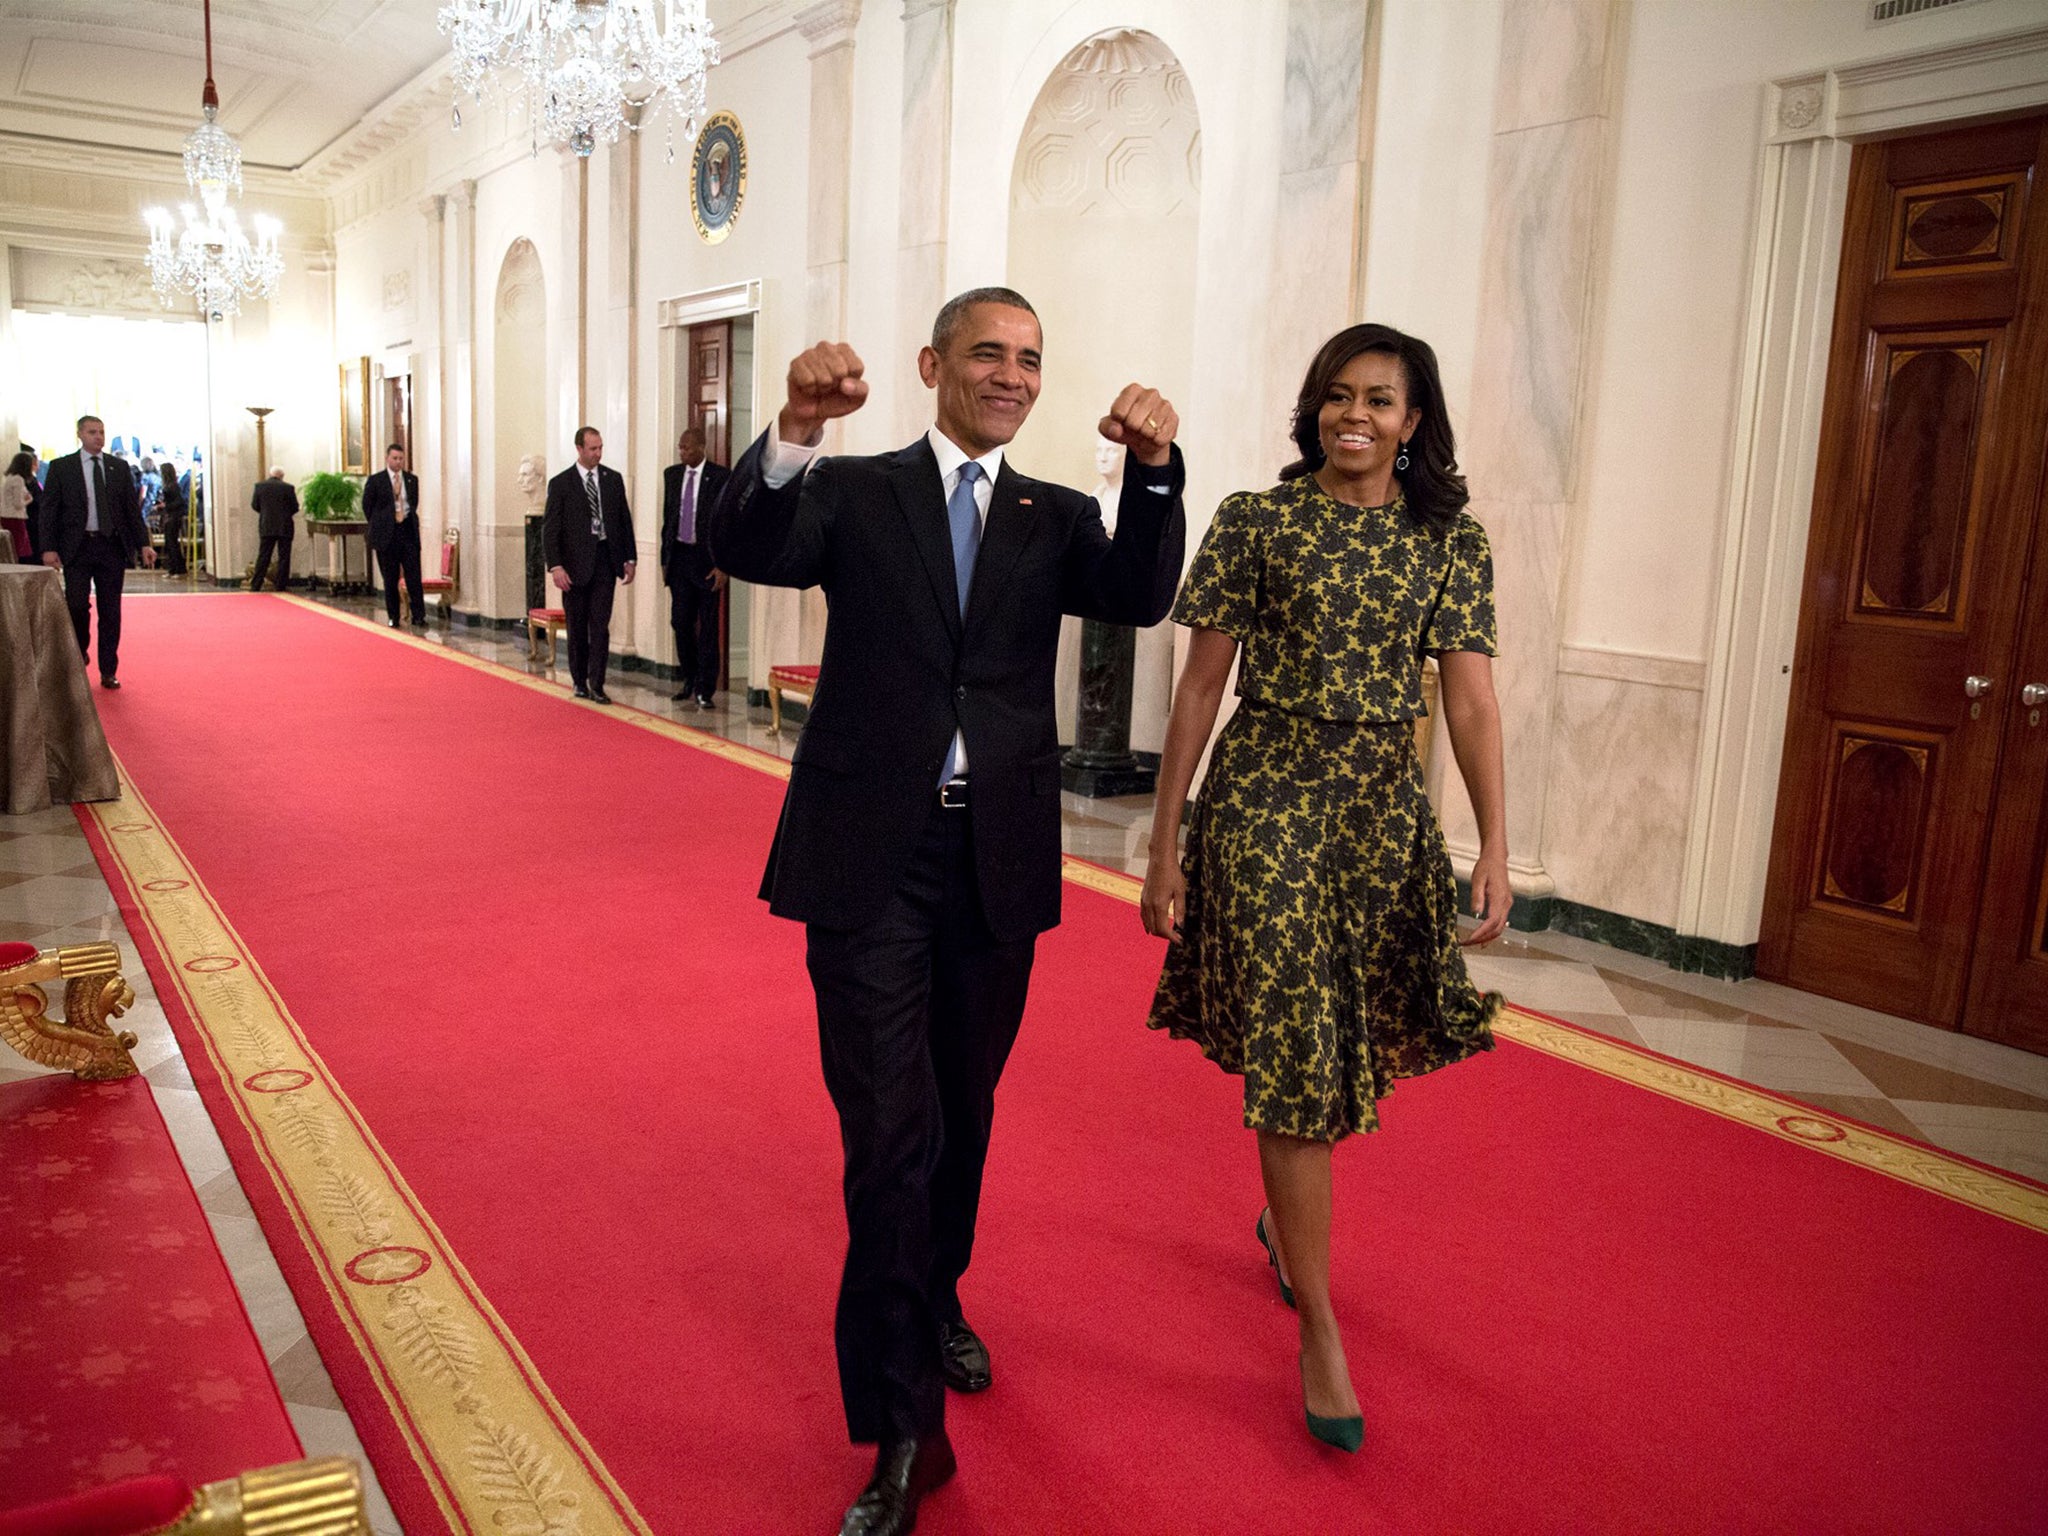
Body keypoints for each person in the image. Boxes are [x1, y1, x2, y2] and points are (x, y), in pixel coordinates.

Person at [707, 287, 1186, 1536]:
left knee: (961, 1109)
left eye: (1030, 359)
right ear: (932, 365)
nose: (1011, 375)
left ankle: (938, 1296)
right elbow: (745, 547)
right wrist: (796, 425)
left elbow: (1139, 592)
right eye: (988, 353)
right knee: (889, 1140)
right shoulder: (854, 492)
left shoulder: (1054, 512)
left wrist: (1153, 468)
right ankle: (903, 1432)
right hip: (871, 856)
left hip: (998, 859)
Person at [1140, 323, 1510, 1454]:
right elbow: (1198, 692)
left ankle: (1280, 1224)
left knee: (1337, 1044)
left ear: (1412, 421)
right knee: (1301, 1050)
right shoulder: (1256, 520)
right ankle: (1321, 1329)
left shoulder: (1449, 539)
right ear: (1315, 408)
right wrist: (1165, 847)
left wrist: (1492, 843)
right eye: (1339, 397)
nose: (1357, 417)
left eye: (1381, 402)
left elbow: (1470, 703)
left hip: (1376, 817)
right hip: (1262, 804)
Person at [34, 414, 157, 686]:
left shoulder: (118, 467)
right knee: (76, 604)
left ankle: (108, 669)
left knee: (110, 610)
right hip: (77, 547)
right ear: (80, 434)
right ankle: (80, 650)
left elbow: (130, 511)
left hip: (111, 547)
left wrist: (143, 543)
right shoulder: (61, 467)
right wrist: (48, 548)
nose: (98, 437)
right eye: (92, 432)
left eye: (101, 432)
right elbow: (49, 512)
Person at [542, 427, 636, 703]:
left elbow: (624, 522)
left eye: (600, 448)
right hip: (573, 568)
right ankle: (579, 680)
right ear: (579, 449)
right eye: (593, 449)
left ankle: (598, 683)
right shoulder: (561, 484)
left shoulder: (612, 480)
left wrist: (630, 558)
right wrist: (556, 566)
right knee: (577, 625)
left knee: (600, 626)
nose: (598, 453)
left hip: (606, 561)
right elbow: (550, 530)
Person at [659, 426, 729, 708]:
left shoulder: (721, 477)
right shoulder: (672, 475)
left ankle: (705, 688)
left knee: (709, 627)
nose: (682, 452)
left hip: (708, 564)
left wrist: (724, 565)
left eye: (687, 447)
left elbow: (726, 525)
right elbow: (668, 518)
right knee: (680, 622)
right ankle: (689, 677)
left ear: (702, 447)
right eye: (680, 447)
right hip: (679, 561)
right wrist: (665, 560)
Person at [361, 443, 425, 627]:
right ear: (387, 459)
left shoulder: (412, 480)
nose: (398, 462)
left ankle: (419, 615)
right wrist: (382, 522)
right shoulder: (376, 480)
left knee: (414, 576)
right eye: (395, 458)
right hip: (387, 536)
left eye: (401, 459)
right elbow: (368, 506)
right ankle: (393, 616)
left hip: (407, 532)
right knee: (390, 578)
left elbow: (413, 504)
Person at [249, 468, 299, 593]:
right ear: (282, 476)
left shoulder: (259, 486)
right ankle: (281, 585)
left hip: (267, 525)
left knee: (264, 556)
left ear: (270, 475)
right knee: (284, 557)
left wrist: (266, 513)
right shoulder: (288, 488)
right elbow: (295, 507)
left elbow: (255, 505)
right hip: (285, 526)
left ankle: (256, 584)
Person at [1, 451, 35, 562]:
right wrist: (29, 500)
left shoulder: (9, 478)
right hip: (15, 517)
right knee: (19, 548)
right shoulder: (18, 480)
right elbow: (18, 503)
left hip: (6, 515)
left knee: (11, 547)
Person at [158, 460, 188, 576]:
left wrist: (165, 505)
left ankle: (177, 569)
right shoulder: (173, 485)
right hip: (172, 516)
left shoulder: (173, 486)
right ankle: (174, 568)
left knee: (172, 543)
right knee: (170, 543)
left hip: (173, 517)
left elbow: (179, 501)